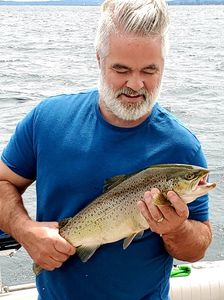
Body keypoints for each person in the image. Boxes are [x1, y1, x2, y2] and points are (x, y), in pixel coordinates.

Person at [0, 0, 212, 299]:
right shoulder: (47, 120)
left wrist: (176, 228)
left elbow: (198, 247)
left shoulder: (181, 146)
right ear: (99, 58)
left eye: (149, 70)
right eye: (121, 69)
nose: (135, 84)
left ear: (164, 65)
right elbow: (3, 181)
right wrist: (23, 230)